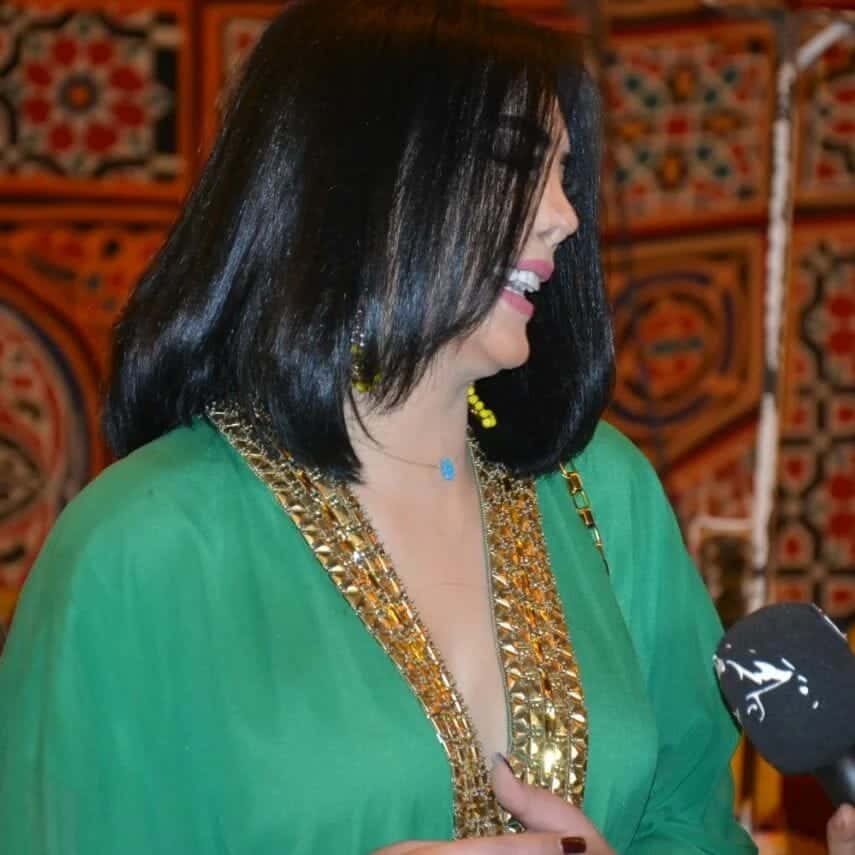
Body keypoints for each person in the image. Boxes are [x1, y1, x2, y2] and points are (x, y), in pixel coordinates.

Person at [0, 1, 757, 852]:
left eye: (561, 173)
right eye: (515, 162)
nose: (563, 215)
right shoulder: (139, 545)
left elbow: (693, 823)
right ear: (359, 179)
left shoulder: (601, 491)